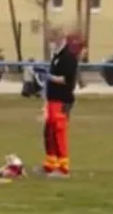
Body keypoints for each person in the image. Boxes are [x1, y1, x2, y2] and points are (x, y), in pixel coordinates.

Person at [43, 27, 78, 177]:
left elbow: (66, 79)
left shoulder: (68, 57)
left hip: (61, 100)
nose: (52, 42)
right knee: (49, 132)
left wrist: (49, 77)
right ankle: (51, 165)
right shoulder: (56, 56)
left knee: (59, 133)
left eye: (54, 38)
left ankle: (63, 168)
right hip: (52, 100)